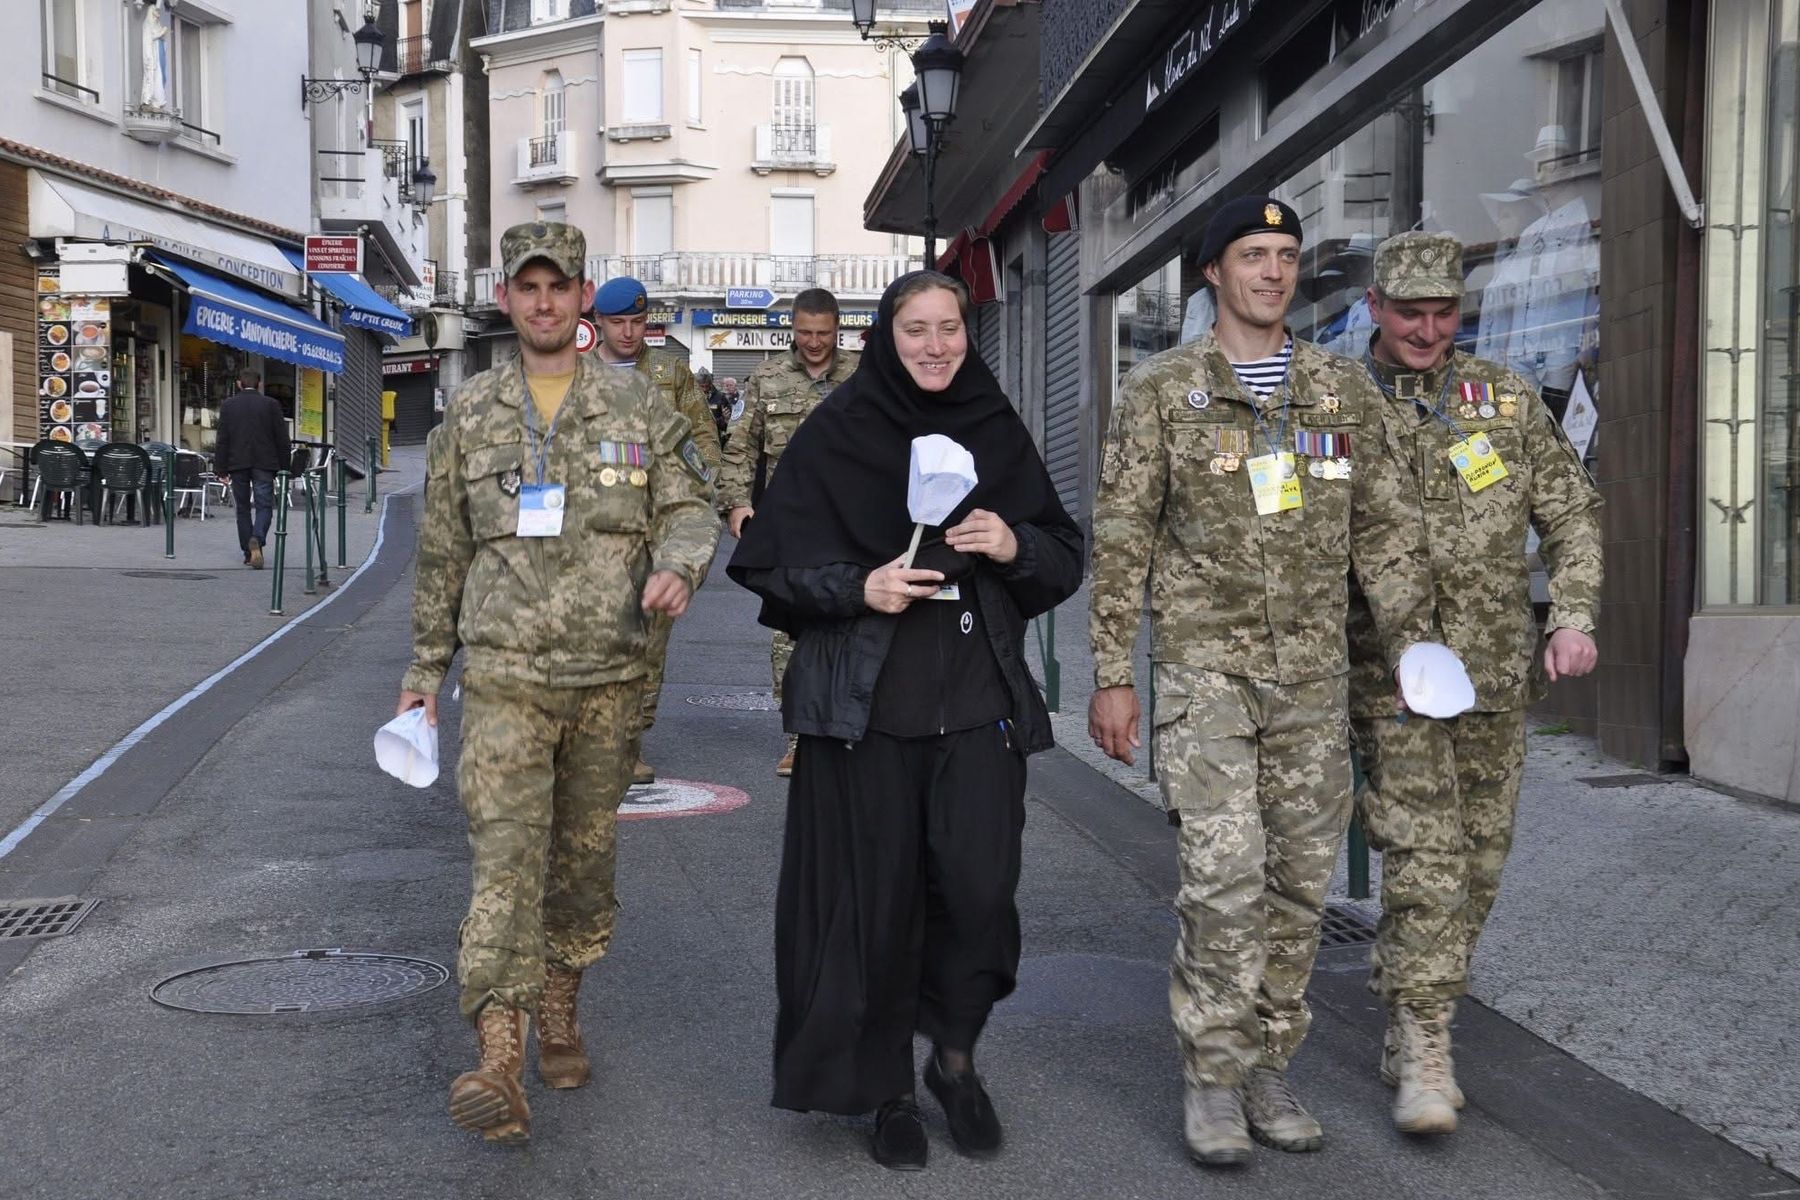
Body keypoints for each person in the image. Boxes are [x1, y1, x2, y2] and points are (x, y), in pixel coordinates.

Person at [1087, 196, 1436, 1168]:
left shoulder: (1341, 390)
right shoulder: (1163, 390)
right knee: (1223, 880)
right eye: (1253, 254)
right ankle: (1212, 1073)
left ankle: (1268, 1065)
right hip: (1206, 677)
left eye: (1285, 254)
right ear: (1214, 271)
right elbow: (1121, 540)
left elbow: (1388, 533)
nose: (1273, 271)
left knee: (1296, 889)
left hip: (1313, 683)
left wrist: (1414, 647)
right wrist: (1112, 673)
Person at [728, 272, 1082, 1171]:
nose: (935, 345)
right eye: (916, 329)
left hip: (976, 704)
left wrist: (1014, 544)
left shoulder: (993, 425)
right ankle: (886, 1088)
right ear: (886, 336)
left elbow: (1062, 557)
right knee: (875, 908)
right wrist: (862, 586)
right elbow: (769, 566)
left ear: (968, 333)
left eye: (949, 328)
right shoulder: (839, 429)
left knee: (978, 895)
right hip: (868, 713)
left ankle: (954, 1061)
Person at [396, 222, 719, 1146]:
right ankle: (498, 1055)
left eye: (559, 286)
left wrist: (680, 566)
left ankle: (561, 1009)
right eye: (527, 287)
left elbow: (690, 506)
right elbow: (442, 552)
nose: (543, 302)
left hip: (609, 680)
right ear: (506, 299)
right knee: (505, 860)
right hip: (504, 679)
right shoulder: (471, 413)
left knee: (580, 867)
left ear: (583, 298)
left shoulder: (638, 404)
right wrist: (425, 671)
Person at [1348, 231, 1603, 1135]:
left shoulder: (1503, 400)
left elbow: (1572, 515)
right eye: (1408, 313)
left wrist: (1572, 615)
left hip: (1494, 676)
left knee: (1480, 867)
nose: (1426, 330)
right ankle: (1427, 1042)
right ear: (1374, 307)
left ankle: (1410, 1003)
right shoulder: (1336, 404)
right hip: (1392, 683)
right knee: (1426, 859)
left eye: (1443, 313)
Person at [717, 287, 861, 776]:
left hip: (851, 524)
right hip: (790, 523)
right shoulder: (767, 377)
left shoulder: (863, 375)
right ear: (792, 329)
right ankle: (799, 738)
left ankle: (850, 731)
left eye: (823, 333)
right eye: (805, 333)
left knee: (854, 624)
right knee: (789, 631)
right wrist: (737, 503)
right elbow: (741, 446)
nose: (814, 342)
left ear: (837, 329)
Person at [592, 276, 724, 785]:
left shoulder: (671, 372)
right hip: (596, 528)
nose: (628, 332)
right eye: (618, 322)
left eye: (637, 321)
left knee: (650, 640)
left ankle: (630, 742)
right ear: (598, 322)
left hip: (659, 527)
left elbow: (703, 441)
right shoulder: (576, 375)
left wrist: (698, 493)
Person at [212, 366, 289, 570]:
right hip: (265, 463)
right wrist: (285, 467)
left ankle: (249, 553)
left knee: (243, 509)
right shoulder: (271, 404)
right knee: (264, 506)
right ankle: (257, 536)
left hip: (238, 463)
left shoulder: (229, 405)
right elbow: (282, 438)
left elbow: (222, 439)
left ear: (239, 384)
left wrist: (220, 469)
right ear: (260, 384)